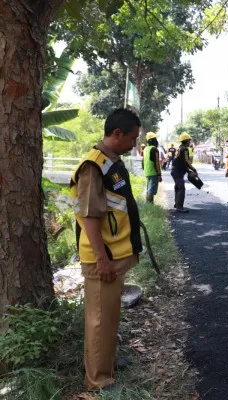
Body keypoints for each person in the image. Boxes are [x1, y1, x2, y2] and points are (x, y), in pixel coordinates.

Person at [69, 108, 142, 391]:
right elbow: (89, 217)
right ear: (116, 134)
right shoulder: (93, 166)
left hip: (114, 255)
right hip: (104, 259)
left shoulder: (112, 162)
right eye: (133, 137)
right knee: (100, 318)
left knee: (109, 314)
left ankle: (106, 360)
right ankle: (98, 380)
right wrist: (102, 259)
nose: (135, 143)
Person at [171, 132, 198, 213]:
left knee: (177, 187)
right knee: (181, 188)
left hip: (175, 170)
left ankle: (177, 204)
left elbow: (182, 162)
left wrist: (188, 170)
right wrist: (193, 169)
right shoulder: (185, 149)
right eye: (189, 140)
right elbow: (186, 161)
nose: (189, 142)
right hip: (177, 172)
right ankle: (179, 207)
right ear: (186, 141)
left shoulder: (180, 148)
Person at [142, 132, 162, 203]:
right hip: (153, 172)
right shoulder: (154, 149)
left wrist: (144, 170)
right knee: (151, 190)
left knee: (149, 189)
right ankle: (148, 204)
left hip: (147, 172)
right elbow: (157, 163)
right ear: (154, 140)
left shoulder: (145, 149)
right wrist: (159, 174)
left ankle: (150, 204)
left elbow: (143, 161)